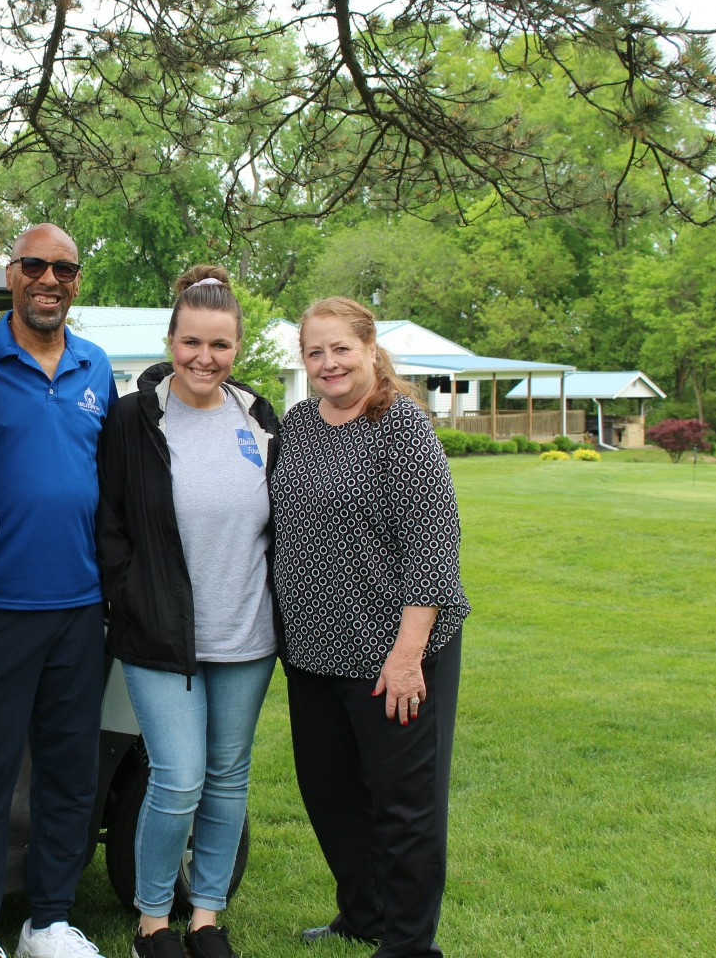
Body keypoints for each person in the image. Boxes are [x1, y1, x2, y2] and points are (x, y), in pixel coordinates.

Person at [270, 296, 470, 958]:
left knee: (402, 807)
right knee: (330, 795)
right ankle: (362, 914)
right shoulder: (298, 424)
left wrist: (408, 654)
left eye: (341, 349)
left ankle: (410, 944)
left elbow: (434, 549)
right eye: (315, 352)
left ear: (370, 349)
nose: (329, 363)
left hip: (394, 652)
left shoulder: (402, 428)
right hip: (314, 654)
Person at [95, 266, 282, 958]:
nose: (205, 357)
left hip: (247, 635)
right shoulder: (131, 419)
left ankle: (206, 918)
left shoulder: (259, 417)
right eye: (192, 342)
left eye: (221, 345)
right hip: (159, 637)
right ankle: (153, 923)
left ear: (238, 349)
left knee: (229, 779)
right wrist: (130, 594)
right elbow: (108, 520)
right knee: (177, 778)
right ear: (170, 340)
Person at [0, 223, 118, 958]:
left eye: (65, 270)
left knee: (70, 772)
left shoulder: (95, 364)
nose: (50, 280)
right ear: (11, 273)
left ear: (78, 282)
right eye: (36, 265)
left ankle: (48, 920)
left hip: (80, 608)